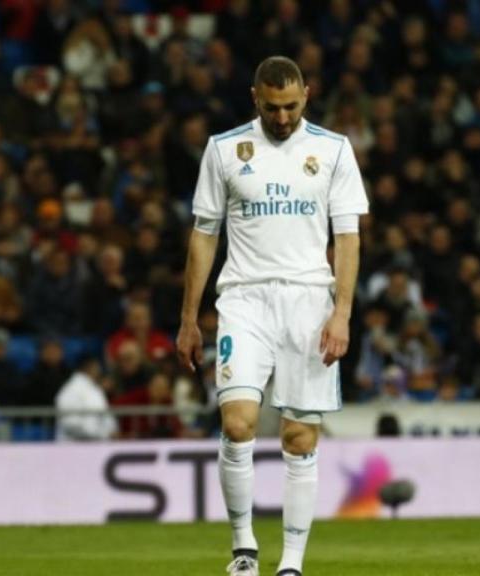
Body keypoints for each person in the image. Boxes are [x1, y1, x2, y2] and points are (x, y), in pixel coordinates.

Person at [176, 56, 368, 576]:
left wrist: (342, 312)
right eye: (270, 107)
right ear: (253, 97)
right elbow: (203, 234)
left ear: (306, 94)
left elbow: (347, 236)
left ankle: (292, 564)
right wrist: (189, 317)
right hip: (244, 299)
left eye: (289, 106)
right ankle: (244, 552)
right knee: (237, 423)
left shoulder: (333, 150)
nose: (281, 118)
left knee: (298, 438)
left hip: (310, 303)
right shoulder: (223, 150)